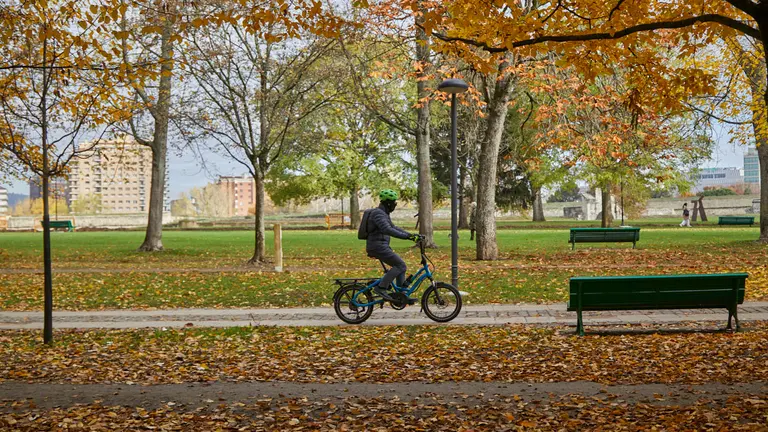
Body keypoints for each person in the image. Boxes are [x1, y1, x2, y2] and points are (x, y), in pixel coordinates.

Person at [366, 189, 419, 301]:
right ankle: (381, 288)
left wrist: (411, 235)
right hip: (377, 247)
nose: (395, 204)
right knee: (400, 265)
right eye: (393, 202)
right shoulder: (378, 214)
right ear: (387, 203)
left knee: (401, 267)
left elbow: (394, 227)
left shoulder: (384, 214)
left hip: (381, 245)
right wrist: (407, 237)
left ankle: (401, 295)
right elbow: (387, 229)